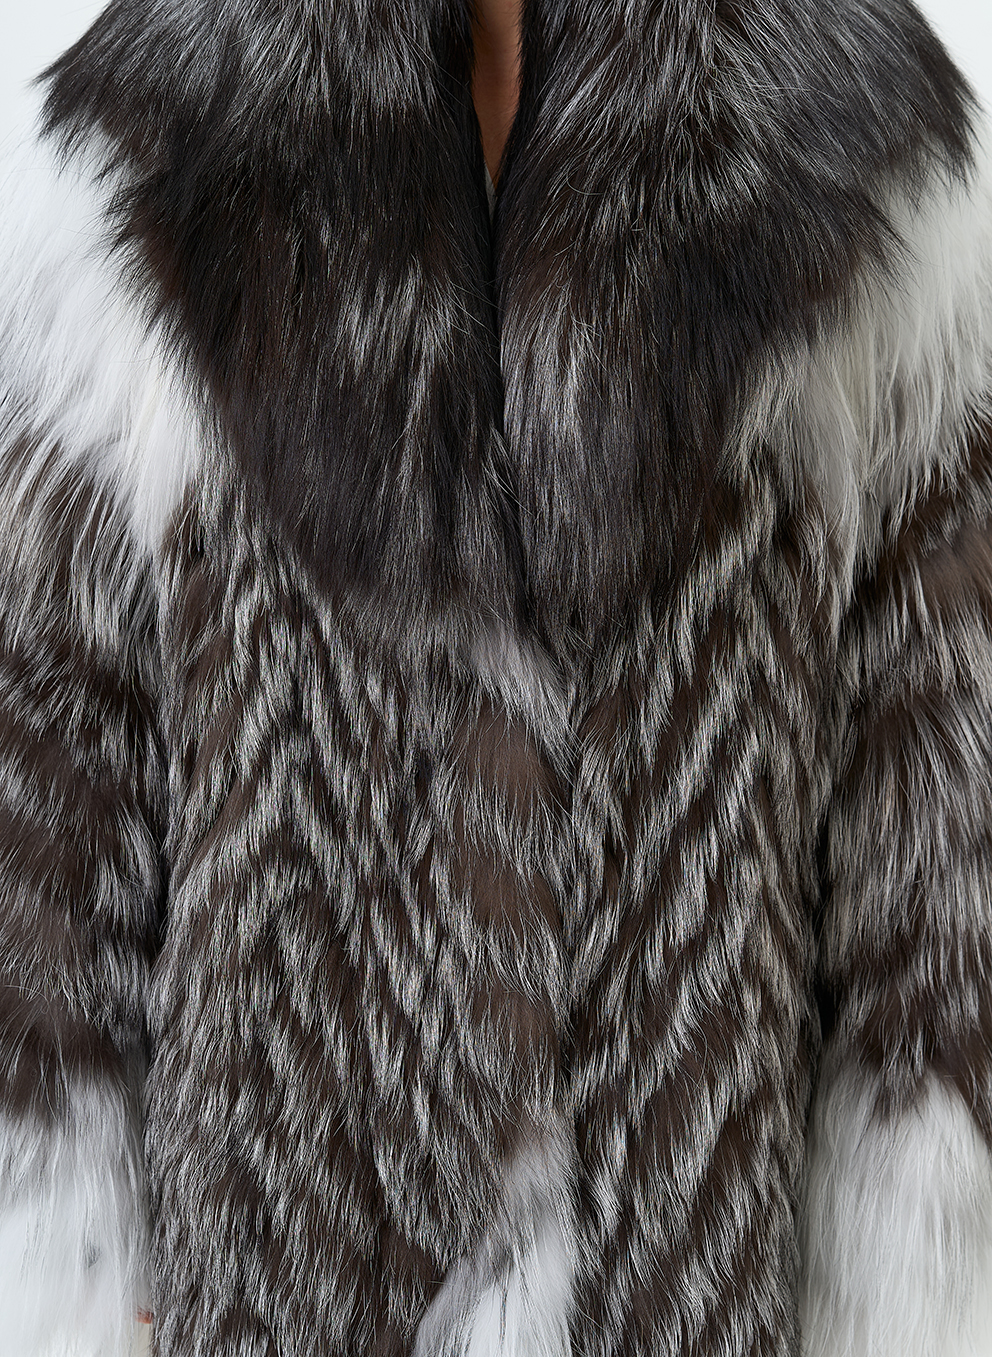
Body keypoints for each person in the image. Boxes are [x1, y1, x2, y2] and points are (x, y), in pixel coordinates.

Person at [0, 0, 990, 1353]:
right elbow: (45, 810)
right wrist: (67, 1286)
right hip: (281, 1270)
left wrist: (905, 1296)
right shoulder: (141, 148)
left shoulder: (867, 147)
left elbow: (940, 850)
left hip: (685, 1275)